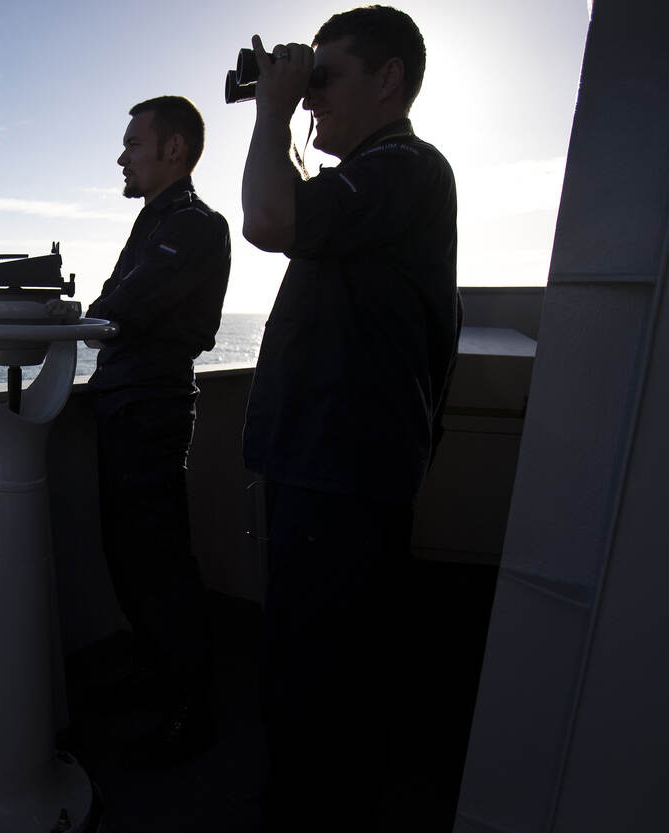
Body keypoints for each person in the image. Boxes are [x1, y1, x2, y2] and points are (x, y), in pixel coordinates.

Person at [239, 6, 459, 830]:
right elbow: (293, 205)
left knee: (321, 676)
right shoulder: (370, 186)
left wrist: (271, 112)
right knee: (314, 665)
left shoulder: (406, 166)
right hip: (327, 467)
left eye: (325, 77)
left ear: (389, 78)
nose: (312, 94)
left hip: (343, 474)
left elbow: (269, 219)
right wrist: (286, 113)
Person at [84, 95, 231, 770]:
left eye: (133, 144)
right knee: (129, 560)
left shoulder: (194, 225)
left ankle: (192, 710)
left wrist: (108, 312)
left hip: (149, 411)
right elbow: (109, 307)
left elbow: (119, 309)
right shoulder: (155, 222)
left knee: (159, 566)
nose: (122, 157)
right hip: (126, 408)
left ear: (174, 149)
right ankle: (160, 674)